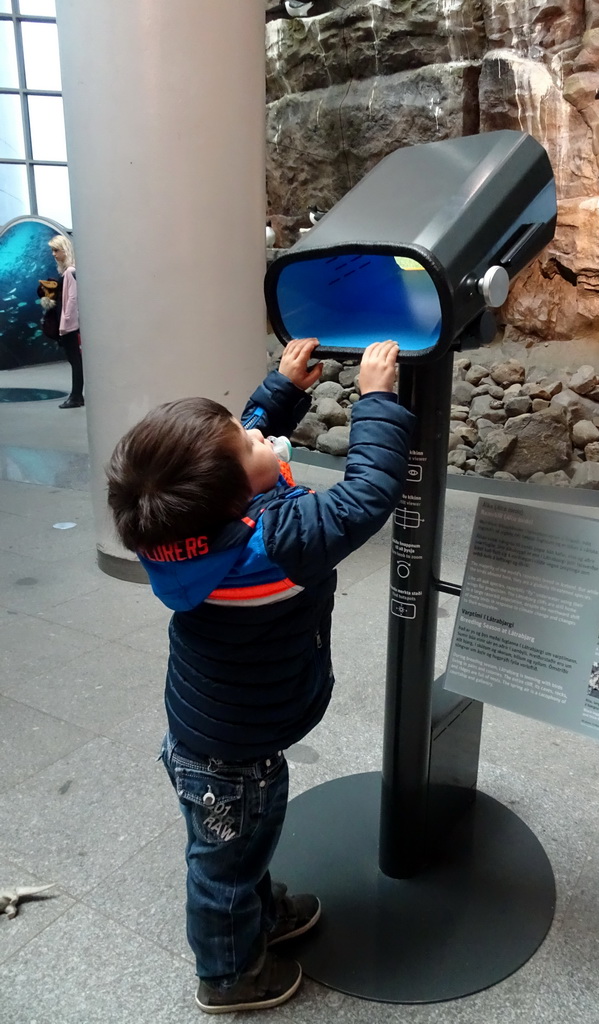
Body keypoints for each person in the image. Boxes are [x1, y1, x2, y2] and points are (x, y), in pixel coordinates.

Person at [106, 338, 414, 1014]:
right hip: (230, 753)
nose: (256, 435)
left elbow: (220, 461)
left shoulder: (174, 531)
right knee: (222, 865)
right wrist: (377, 402)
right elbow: (366, 494)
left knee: (242, 843)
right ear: (238, 494)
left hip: (213, 728)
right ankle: (228, 976)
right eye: (249, 444)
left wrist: (280, 392)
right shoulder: (276, 541)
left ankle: (262, 914)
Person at [46, 234, 83, 408]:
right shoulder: (70, 271)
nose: (53, 254)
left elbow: (72, 300)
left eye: (56, 250)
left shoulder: (70, 271)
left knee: (75, 360)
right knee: (75, 361)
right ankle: (76, 395)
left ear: (64, 250)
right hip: (71, 324)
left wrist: (66, 322)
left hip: (71, 326)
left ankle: (76, 396)